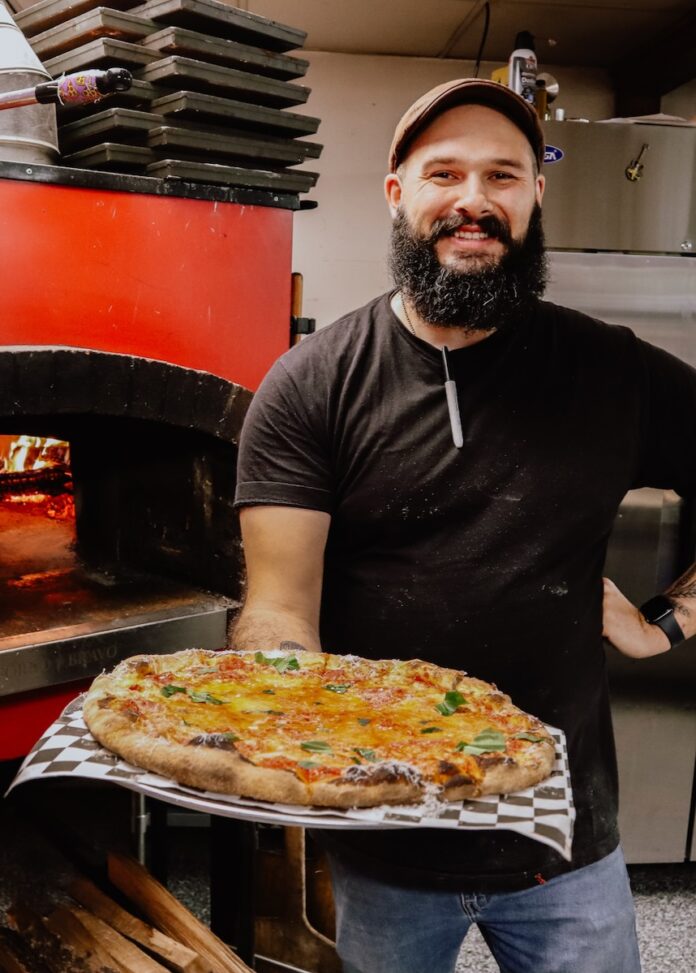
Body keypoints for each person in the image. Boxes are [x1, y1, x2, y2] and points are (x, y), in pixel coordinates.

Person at [232, 78, 696, 973]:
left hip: (566, 837)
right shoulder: (310, 384)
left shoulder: (613, 371)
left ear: (534, 195)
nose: (474, 202)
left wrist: (667, 619)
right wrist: (283, 696)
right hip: (386, 839)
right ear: (398, 191)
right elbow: (279, 605)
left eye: (502, 176)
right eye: (444, 173)